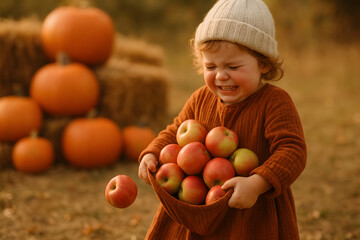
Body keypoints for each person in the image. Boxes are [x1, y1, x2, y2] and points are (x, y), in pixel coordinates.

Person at [138, 0, 307, 239]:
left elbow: (293, 151)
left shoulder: (274, 102)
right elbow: (174, 131)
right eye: (210, 66)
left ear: (263, 64)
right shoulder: (200, 98)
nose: (220, 75)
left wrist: (257, 184)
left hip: (251, 211)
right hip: (198, 205)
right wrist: (152, 153)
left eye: (233, 66)